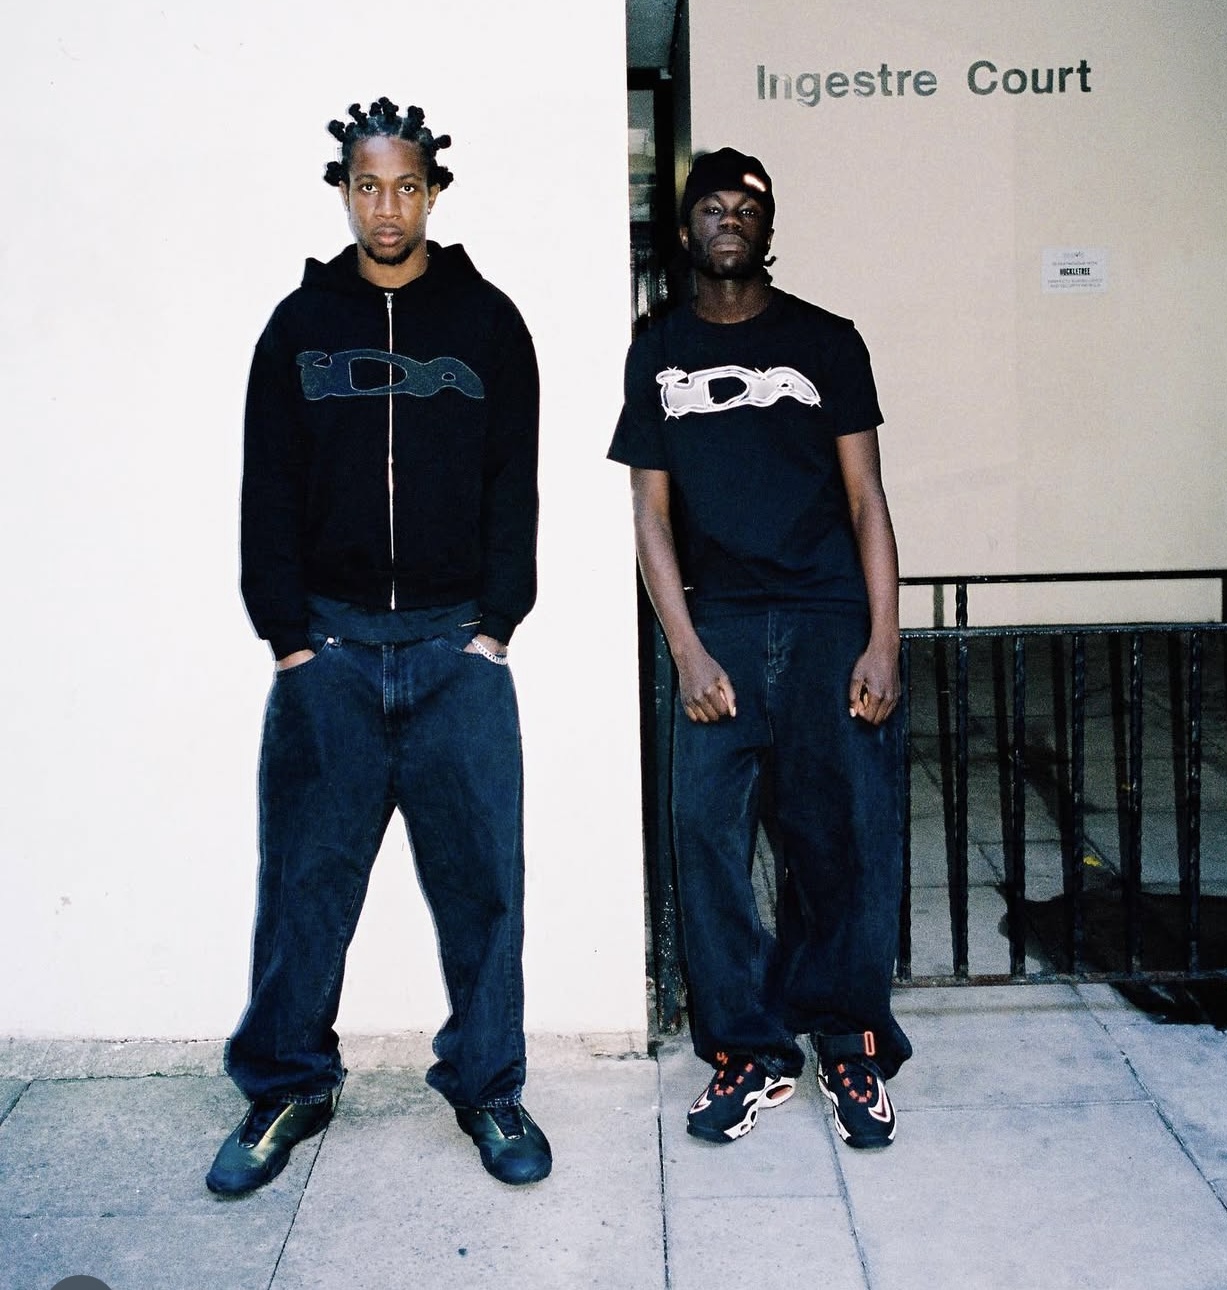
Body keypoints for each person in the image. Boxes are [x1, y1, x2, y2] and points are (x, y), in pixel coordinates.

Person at [207, 98, 549, 1195]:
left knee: (483, 891)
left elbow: (514, 483)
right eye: (368, 186)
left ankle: (489, 1087)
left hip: (456, 655)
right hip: (332, 654)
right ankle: (287, 1085)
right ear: (344, 192)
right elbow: (267, 489)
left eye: (406, 186)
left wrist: (496, 623)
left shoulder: (487, 323)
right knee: (304, 889)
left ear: (434, 192)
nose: (387, 207)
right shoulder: (298, 327)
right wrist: (288, 638)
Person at [609, 148, 912, 1148]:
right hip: (722, 628)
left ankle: (848, 1037)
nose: (729, 219)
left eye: (747, 207)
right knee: (707, 843)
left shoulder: (827, 341)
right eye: (712, 206)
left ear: (768, 229)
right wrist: (687, 651)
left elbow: (867, 500)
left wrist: (884, 639)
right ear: (684, 230)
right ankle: (747, 1049)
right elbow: (650, 515)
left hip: (829, 619)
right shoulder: (657, 351)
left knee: (843, 839)